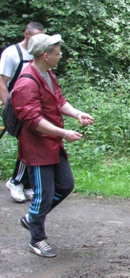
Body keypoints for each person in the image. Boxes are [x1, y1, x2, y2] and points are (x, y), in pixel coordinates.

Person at [12, 34, 94, 257]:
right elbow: (33, 120)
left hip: (53, 144)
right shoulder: (26, 83)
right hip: (37, 148)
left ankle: (31, 218)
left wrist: (77, 114)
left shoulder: (48, 73)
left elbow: (59, 101)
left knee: (65, 185)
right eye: (57, 53)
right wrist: (64, 133)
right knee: (43, 195)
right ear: (46, 56)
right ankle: (37, 239)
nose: (61, 56)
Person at [0, 21, 45, 203]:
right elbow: (2, 83)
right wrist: (9, 108)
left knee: (31, 144)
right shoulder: (12, 54)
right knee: (27, 145)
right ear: (26, 34)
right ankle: (16, 181)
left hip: (32, 106)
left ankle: (25, 184)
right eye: (36, 37)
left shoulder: (39, 54)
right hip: (15, 106)